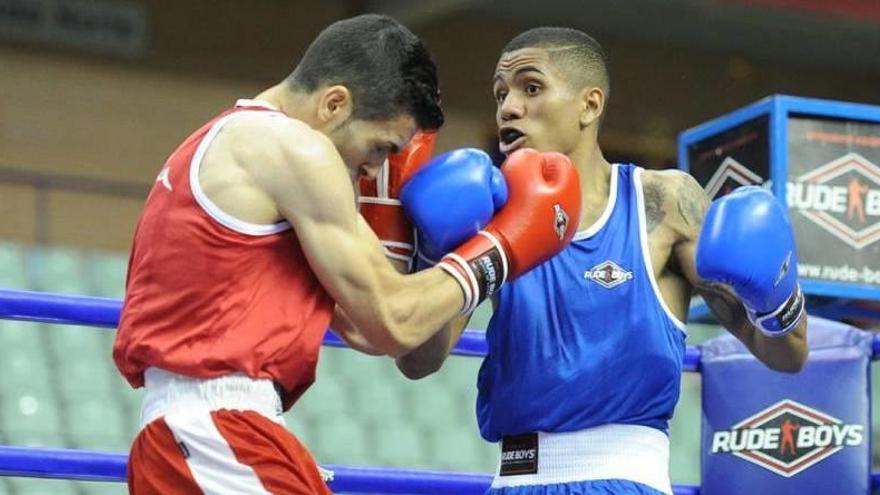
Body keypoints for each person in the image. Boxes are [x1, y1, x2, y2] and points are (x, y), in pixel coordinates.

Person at [112, 15, 582, 494]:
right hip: (215, 436)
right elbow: (394, 319)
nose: (373, 169)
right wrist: (503, 247)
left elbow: (368, 329)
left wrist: (428, 254)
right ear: (334, 103)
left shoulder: (230, 142)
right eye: (379, 147)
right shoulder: (294, 149)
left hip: (207, 436)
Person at [396, 27, 809, 495]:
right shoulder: (489, 219)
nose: (509, 107)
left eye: (531, 88)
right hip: (514, 480)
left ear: (589, 105)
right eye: (500, 94)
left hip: (626, 481)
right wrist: (433, 252)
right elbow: (419, 360)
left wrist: (775, 299)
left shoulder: (663, 203)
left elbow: (788, 352)